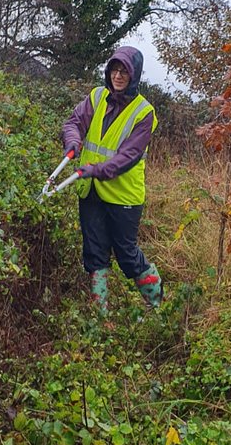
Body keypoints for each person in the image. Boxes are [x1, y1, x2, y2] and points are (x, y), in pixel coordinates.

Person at [61, 46, 163, 315]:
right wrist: (73, 141)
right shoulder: (97, 96)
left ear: (134, 75)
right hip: (90, 190)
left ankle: (157, 308)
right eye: (114, 70)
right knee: (94, 254)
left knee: (127, 255)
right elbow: (74, 122)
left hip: (123, 196)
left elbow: (129, 156)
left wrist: (98, 169)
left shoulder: (144, 112)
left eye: (124, 71)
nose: (118, 76)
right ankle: (100, 318)